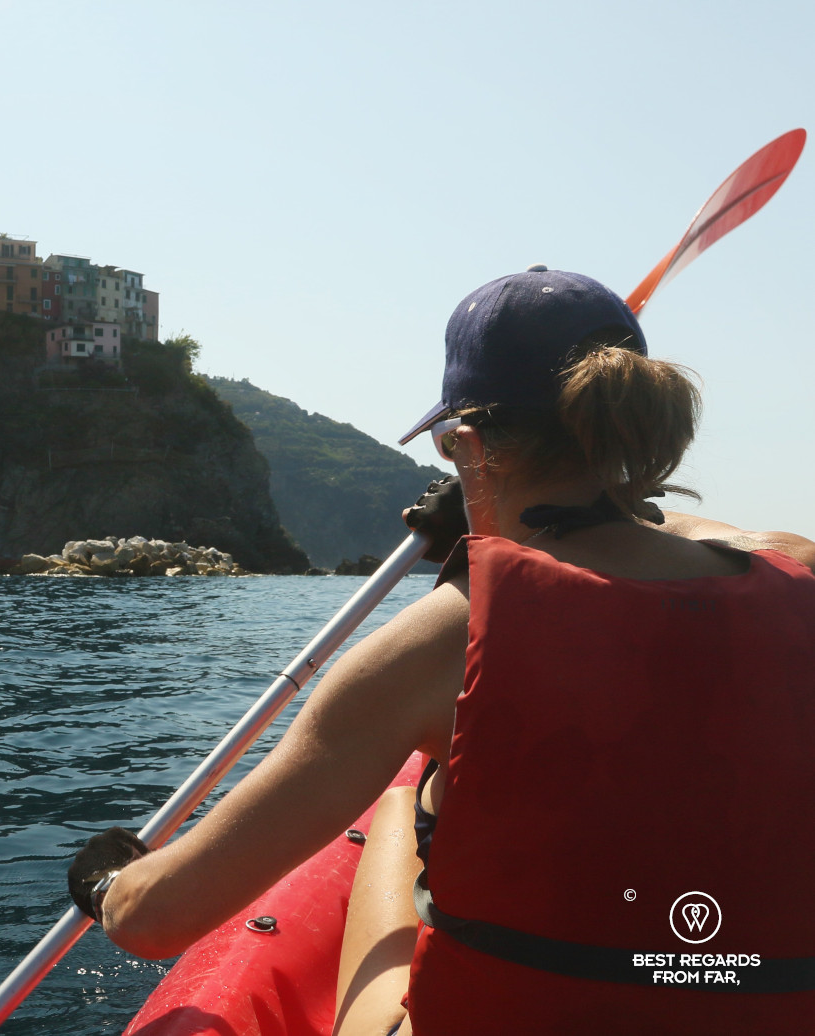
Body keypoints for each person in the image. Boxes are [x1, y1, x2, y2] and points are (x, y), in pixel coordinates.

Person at [68, 268, 815, 1034]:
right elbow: (757, 546)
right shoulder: (797, 588)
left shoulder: (438, 646)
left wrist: (104, 881)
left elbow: (154, 922)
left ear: (463, 442)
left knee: (403, 801)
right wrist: (611, 516)